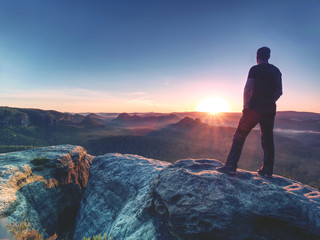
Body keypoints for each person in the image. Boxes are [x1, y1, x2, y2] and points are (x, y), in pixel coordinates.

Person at [217, 47, 282, 177]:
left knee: (239, 136)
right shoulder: (276, 71)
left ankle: (230, 166)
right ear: (269, 56)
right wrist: (269, 101)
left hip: (253, 109)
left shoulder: (254, 69)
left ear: (257, 56)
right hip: (269, 109)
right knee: (267, 138)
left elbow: (248, 88)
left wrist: (246, 106)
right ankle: (267, 170)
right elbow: (279, 92)